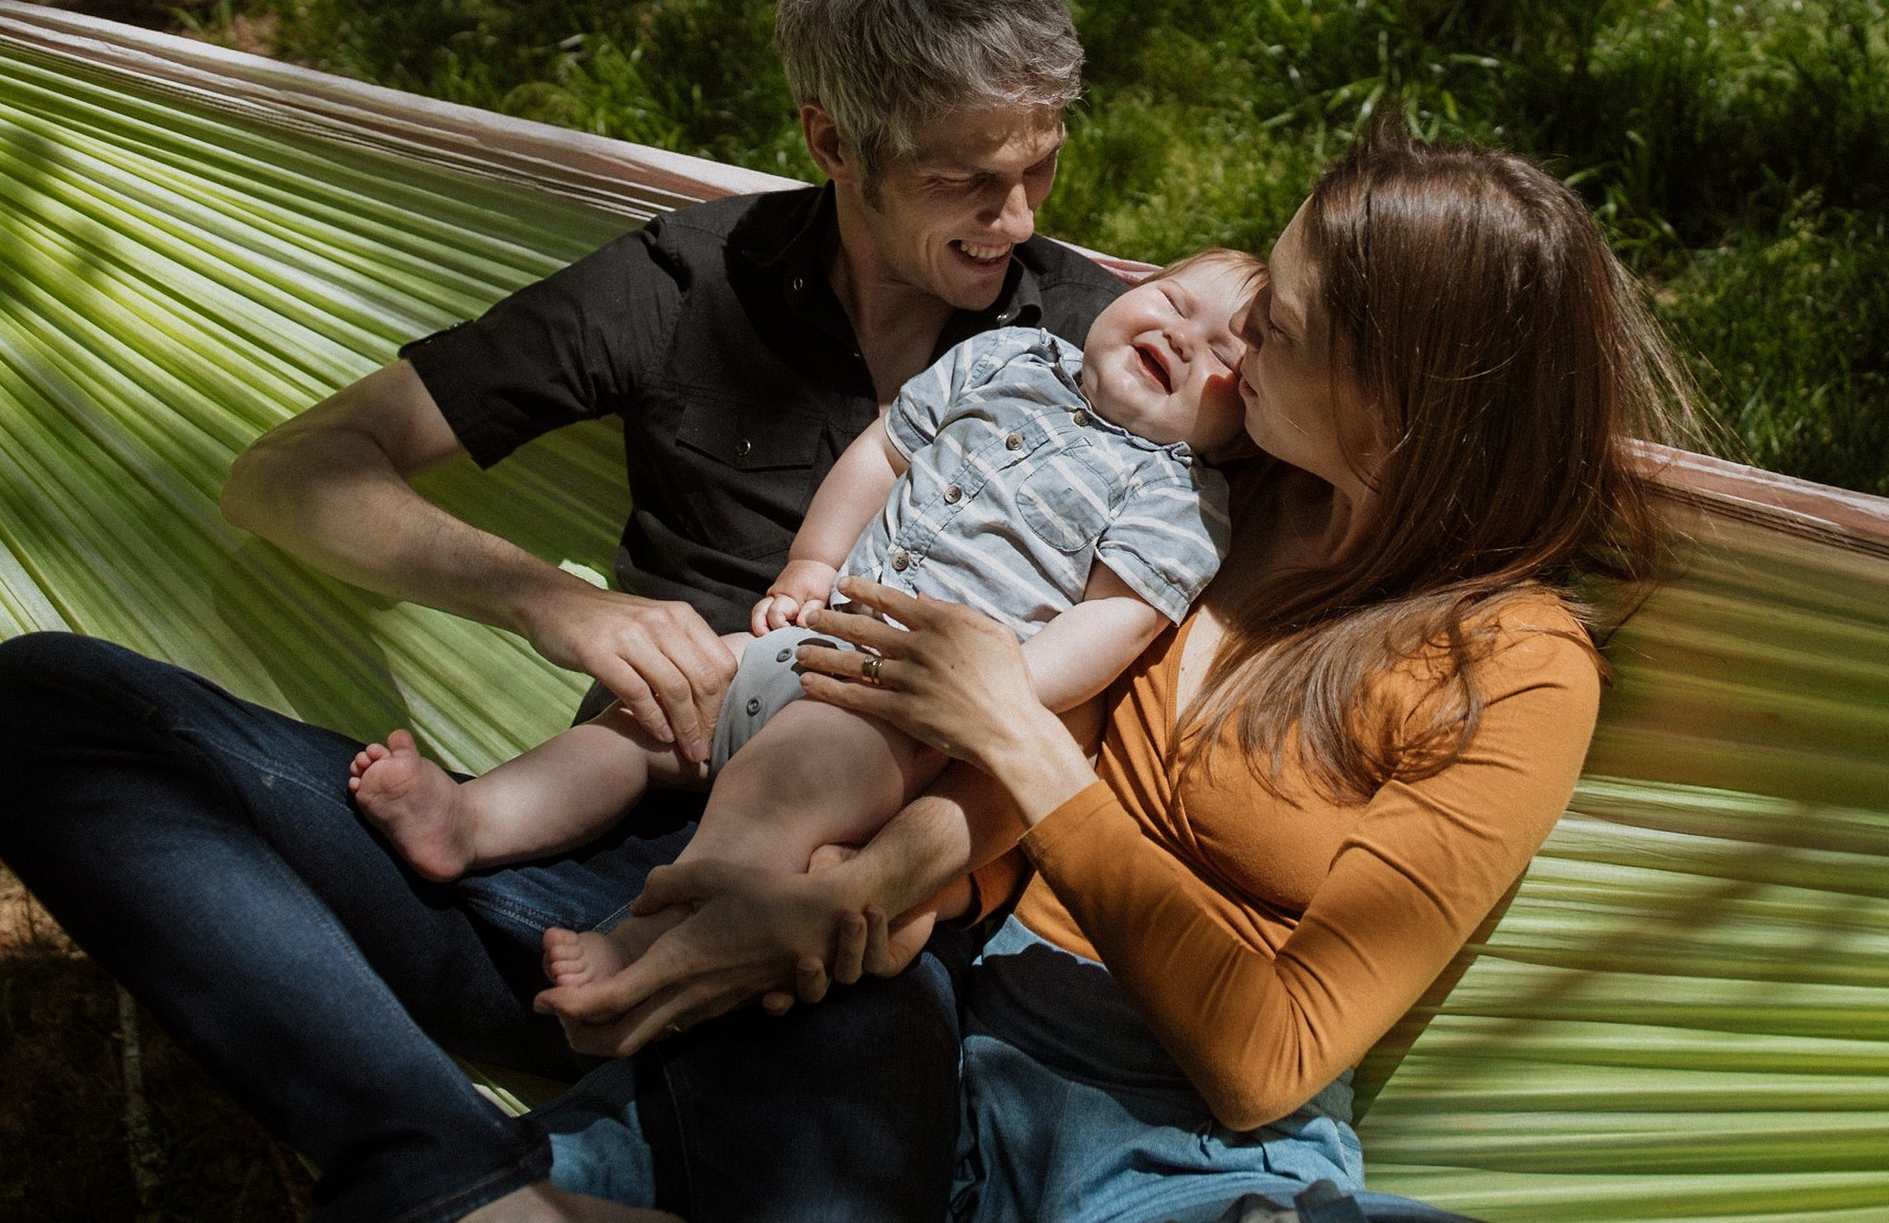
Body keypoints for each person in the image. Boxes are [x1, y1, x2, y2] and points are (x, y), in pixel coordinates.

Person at [0, 0, 1133, 1223]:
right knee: (35, 705)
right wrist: (553, 601)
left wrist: (884, 878)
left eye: (1040, 163)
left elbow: (1134, 689)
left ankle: (538, 1161)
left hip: (825, 930)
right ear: (829, 140)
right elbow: (290, 471)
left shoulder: (1110, 349)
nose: (1020, 214)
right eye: (967, 180)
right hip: (552, 864)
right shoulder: (685, 285)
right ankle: (460, 1175)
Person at [545, 127, 1703, 1222]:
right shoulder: (1215, 487)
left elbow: (1269, 1057)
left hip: (1185, 1135)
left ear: (1398, 408)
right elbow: (1066, 725)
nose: (1235, 346)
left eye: (1278, 332)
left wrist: (1007, 727)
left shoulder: (1514, 667)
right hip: (956, 1018)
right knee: (560, 1164)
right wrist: (868, 890)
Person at [348, 251, 1258, 996]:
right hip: (809, 639)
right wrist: (812, 562)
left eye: (1224, 354)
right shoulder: (1008, 358)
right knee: (646, 717)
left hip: (902, 714)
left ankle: (650, 941)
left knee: (773, 791)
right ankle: (474, 816)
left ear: (1238, 427)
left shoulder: (1177, 492)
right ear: (1124, 290)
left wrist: (999, 696)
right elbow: (881, 454)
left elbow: (1114, 620)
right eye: (1174, 299)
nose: (1184, 334)